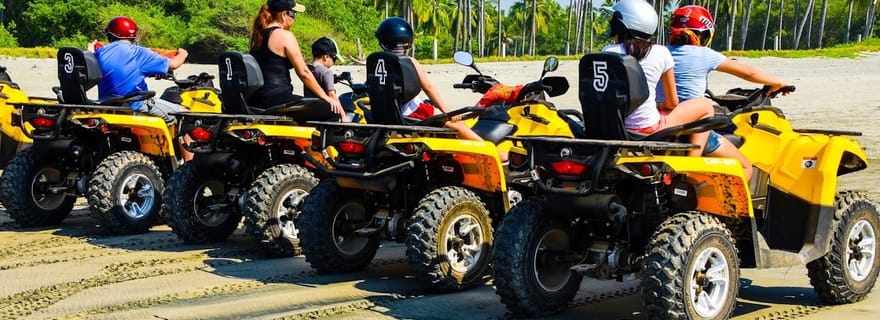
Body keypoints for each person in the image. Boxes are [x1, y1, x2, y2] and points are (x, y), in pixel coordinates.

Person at [664, 5, 793, 180]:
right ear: (704, 34)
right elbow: (748, 73)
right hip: (691, 128)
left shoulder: (661, 52)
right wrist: (778, 82)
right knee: (745, 167)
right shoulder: (705, 55)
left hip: (664, 123)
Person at [601, 0, 715, 158]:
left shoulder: (607, 51)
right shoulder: (660, 53)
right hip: (645, 129)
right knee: (706, 105)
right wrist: (659, 105)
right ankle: (692, 163)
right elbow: (672, 102)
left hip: (611, 127)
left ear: (621, 25)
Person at [94, 16, 193, 161]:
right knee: (185, 115)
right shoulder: (137, 52)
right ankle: (189, 169)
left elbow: (119, 71)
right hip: (135, 103)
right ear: (133, 35)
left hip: (107, 104)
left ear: (110, 34)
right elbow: (173, 64)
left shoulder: (100, 52)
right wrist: (183, 54)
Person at [374, 17, 486, 143]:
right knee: (456, 124)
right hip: (411, 112)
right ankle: (491, 150)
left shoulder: (376, 60)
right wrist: (448, 112)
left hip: (384, 114)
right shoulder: (409, 61)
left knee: (436, 111)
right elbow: (428, 87)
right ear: (408, 41)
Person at [249, 0, 346, 121]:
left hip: (256, 100)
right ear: (284, 15)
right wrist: (326, 97)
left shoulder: (257, 36)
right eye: (293, 14)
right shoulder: (284, 35)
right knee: (332, 110)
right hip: (277, 99)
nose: (295, 19)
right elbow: (304, 73)